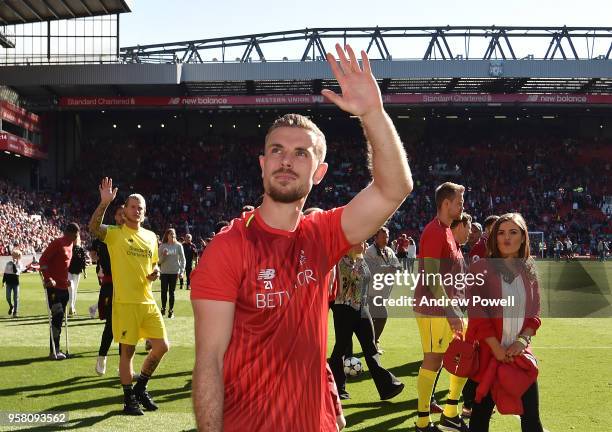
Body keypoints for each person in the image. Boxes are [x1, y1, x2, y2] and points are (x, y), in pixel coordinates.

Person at [190, 43, 413, 432]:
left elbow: (394, 189)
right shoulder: (229, 248)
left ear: (319, 172)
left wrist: (372, 114)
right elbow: (208, 360)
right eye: (276, 150)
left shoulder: (322, 234)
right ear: (262, 165)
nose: (286, 160)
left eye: (301, 153)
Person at [89, 178, 169, 416]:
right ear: (124, 210)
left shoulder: (152, 236)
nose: (137, 210)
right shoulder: (114, 234)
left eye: (141, 208)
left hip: (147, 301)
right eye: (133, 206)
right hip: (125, 303)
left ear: (144, 213)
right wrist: (104, 203)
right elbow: (93, 227)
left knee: (162, 346)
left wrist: (155, 272)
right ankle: (128, 399)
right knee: (128, 352)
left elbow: (153, 266)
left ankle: (141, 387)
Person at [466, 213, 544, 432]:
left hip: (520, 356)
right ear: (494, 238)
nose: (506, 238)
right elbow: (477, 311)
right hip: (490, 357)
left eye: (513, 232)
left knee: (532, 421)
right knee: (480, 422)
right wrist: (496, 348)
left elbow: (534, 311)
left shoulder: (529, 269)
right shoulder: (481, 268)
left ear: (523, 237)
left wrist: (522, 340)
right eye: (501, 232)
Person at [413, 182, 469, 432]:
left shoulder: (447, 231)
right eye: (459, 202)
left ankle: (450, 413)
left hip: (447, 309)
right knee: (433, 361)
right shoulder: (435, 232)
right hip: (434, 309)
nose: (462, 206)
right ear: (446, 204)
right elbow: (432, 278)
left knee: (463, 358)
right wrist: (451, 309)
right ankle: (423, 422)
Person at [329, 241, 404, 401]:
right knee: (340, 349)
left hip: (362, 308)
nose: (364, 245)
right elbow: (353, 280)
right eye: (360, 243)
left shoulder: (361, 259)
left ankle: (388, 387)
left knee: (371, 349)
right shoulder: (341, 261)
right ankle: (337, 389)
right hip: (344, 309)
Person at [90, 205, 125, 375]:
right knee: (111, 325)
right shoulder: (107, 234)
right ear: (115, 216)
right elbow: (94, 229)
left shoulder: (135, 235)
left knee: (125, 327)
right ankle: (102, 356)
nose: (123, 217)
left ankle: (123, 365)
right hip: (111, 286)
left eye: (125, 213)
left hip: (128, 287)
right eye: (119, 213)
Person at [39, 223, 79, 360]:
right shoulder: (57, 243)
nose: (76, 237)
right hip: (53, 287)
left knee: (60, 319)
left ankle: (56, 348)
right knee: (57, 315)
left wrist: (66, 280)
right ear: (70, 233)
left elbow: (64, 266)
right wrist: (48, 278)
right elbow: (43, 260)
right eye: (75, 234)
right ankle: (53, 351)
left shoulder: (71, 245)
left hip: (63, 287)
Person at [365, 226, 401, 354]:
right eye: (383, 237)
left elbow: (397, 264)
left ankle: (371, 343)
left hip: (383, 292)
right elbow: (370, 269)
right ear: (376, 237)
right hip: (372, 292)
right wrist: (388, 268)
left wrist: (396, 267)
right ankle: (374, 343)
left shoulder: (389, 251)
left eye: (387, 236)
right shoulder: (369, 251)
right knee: (382, 316)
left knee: (374, 319)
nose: (386, 239)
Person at [159, 228, 185, 318]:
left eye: (174, 234)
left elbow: (182, 259)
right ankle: (163, 309)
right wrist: (163, 255)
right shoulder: (162, 246)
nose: (172, 235)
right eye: (170, 234)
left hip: (174, 272)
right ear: (167, 235)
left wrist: (181, 271)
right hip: (164, 272)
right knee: (163, 292)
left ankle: (171, 311)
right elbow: (159, 261)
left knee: (172, 292)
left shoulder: (178, 246)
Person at [67, 231, 88, 316]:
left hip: (78, 271)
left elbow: (83, 261)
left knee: (75, 290)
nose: (75, 240)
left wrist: (85, 272)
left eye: (77, 238)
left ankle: (73, 307)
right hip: (69, 271)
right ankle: (71, 307)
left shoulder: (81, 249)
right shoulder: (68, 248)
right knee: (71, 287)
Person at [3, 249, 23, 317]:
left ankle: (15, 312)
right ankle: (11, 306)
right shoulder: (8, 263)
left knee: (16, 298)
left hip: (15, 283)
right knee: (8, 297)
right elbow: (5, 273)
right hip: (8, 282)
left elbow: (16, 272)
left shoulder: (20, 264)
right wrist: (3, 282)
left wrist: (14, 264)